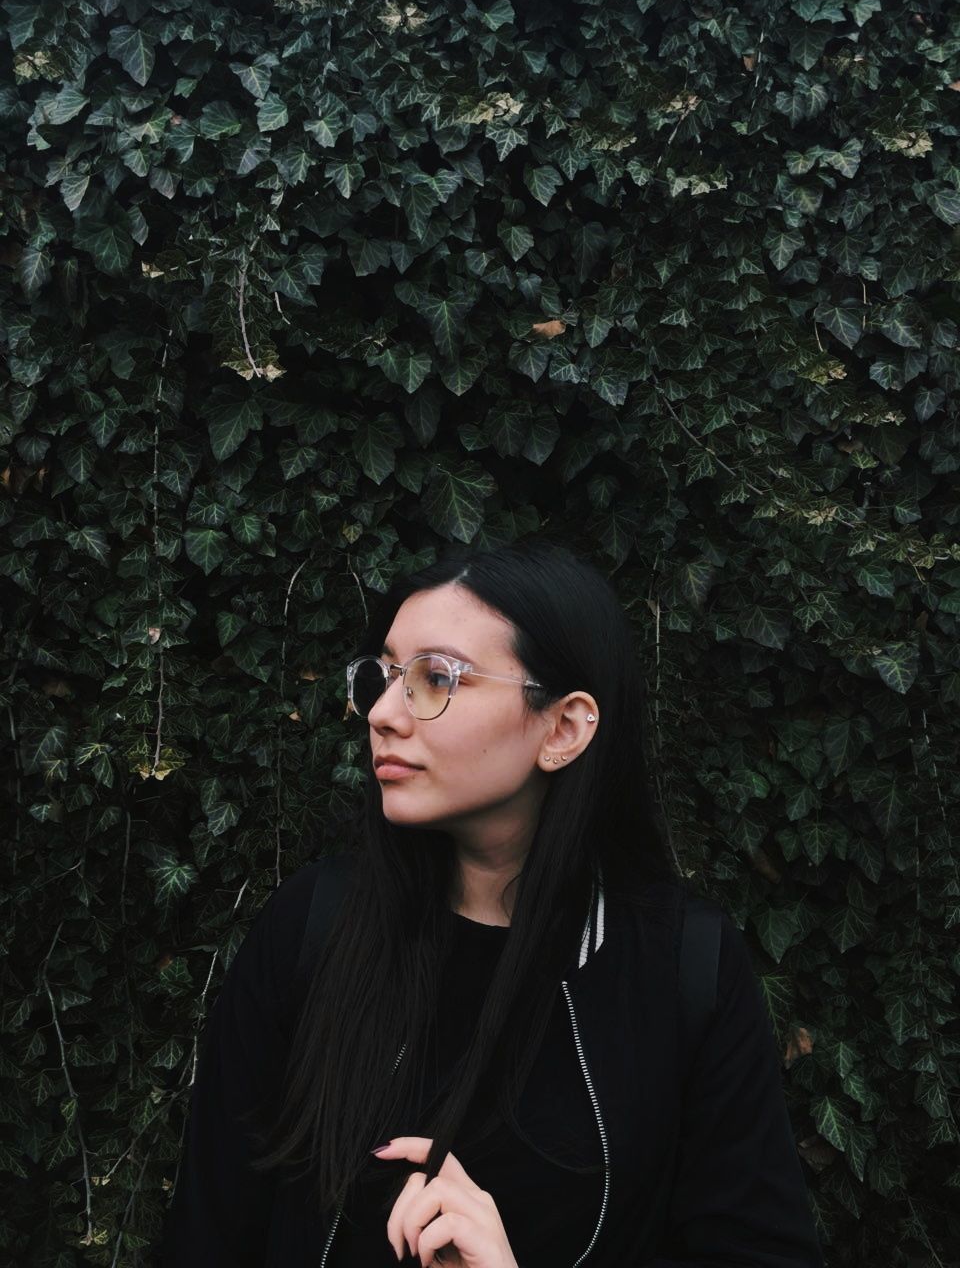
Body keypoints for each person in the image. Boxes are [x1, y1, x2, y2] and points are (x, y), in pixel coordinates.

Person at [161, 540, 824, 1268]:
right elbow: (207, 1235)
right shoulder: (313, 927)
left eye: (436, 678)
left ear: (563, 729)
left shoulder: (680, 968)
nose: (382, 712)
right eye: (383, 677)